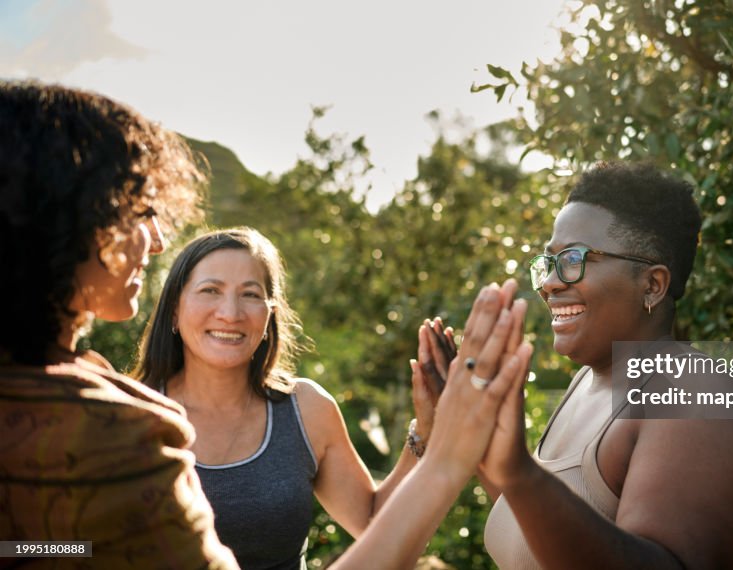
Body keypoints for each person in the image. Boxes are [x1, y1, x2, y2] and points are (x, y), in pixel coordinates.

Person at [0, 80, 533, 570]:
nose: (157, 239)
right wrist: (447, 460)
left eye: (251, 295)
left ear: (272, 313)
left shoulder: (295, 409)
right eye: (138, 210)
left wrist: (429, 436)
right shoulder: (124, 425)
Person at [421, 162, 733, 568]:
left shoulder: (695, 401)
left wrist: (519, 471)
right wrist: (469, 433)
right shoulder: (587, 383)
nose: (551, 284)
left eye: (573, 259)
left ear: (652, 285)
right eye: (549, 263)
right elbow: (533, 524)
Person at [0, 80, 237, 568]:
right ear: (70, 220)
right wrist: (439, 469)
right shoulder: (118, 438)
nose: (155, 243)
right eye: (139, 211)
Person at [133, 227, 442, 569]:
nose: (230, 313)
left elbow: (374, 524)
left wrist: (427, 428)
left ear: (270, 314)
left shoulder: (306, 408)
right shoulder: (122, 415)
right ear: (174, 308)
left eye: (250, 294)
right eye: (210, 290)